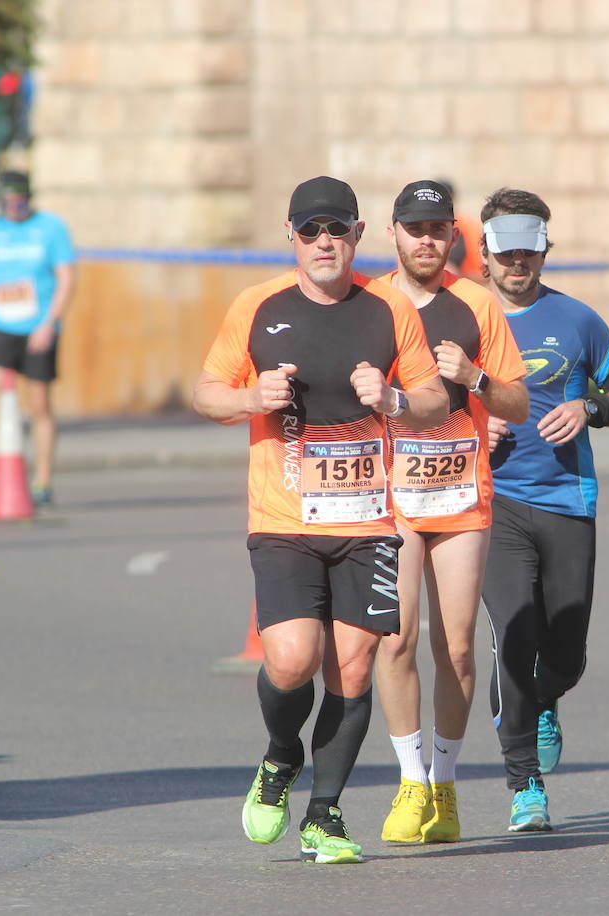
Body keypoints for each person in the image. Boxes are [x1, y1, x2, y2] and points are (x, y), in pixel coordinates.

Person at [193, 176, 449, 864]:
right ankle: (281, 756)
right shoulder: (258, 306)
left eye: (336, 229)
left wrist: (392, 398)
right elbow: (205, 390)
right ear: (292, 238)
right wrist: (251, 397)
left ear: (358, 236)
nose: (324, 242)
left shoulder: (389, 308)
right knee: (292, 657)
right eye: (310, 231)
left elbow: (433, 399)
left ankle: (325, 814)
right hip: (284, 517)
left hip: (367, 521)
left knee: (355, 669)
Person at [477, 188, 609, 832]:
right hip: (492, 505)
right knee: (513, 634)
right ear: (486, 253)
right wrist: (469, 434)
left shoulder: (578, 320)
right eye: (505, 251)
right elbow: (419, 399)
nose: (517, 261)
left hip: (567, 500)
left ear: (546, 249)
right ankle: (525, 785)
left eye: (529, 249)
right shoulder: (461, 318)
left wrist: (590, 409)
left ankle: (543, 699)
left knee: (566, 655)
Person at [372, 179, 528, 844]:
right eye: (415, 228)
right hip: (391, 496)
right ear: (394, 234)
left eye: (438, 229)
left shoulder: (475, 304)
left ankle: (445, 781)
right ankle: (410, 783)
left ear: (452, 237)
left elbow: (517, 402)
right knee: (397, 638)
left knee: (458, 649)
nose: (428, 240)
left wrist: (475, 379)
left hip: (462, 492)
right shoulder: (369, 304)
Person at [0, 170, 75, 506]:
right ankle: (4, 468)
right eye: (6, 202)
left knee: (39, 403)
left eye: (18, 201)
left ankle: (42, 479)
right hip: (1, 324)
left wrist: (50, 323)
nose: (12, 208)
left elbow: (66, 277)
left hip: (38, 325)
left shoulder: (51, 228)